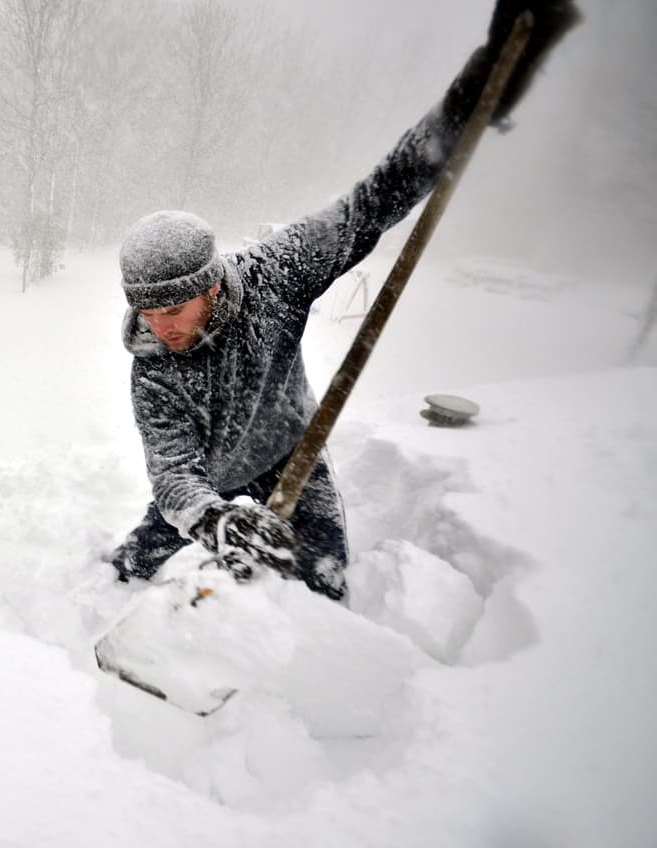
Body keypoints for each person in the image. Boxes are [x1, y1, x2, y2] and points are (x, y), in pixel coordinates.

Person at [107, 0, 579, 599]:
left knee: (323, 584)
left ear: (212, 285)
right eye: (146, 311)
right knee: (128, 569)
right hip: (211, 485)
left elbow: (373, 199)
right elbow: (174, 476)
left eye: (171, 309)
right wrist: (215, 518)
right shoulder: (152, 367)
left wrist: (477, 90)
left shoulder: (274, 277)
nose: (159, 326)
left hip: (290, 455)